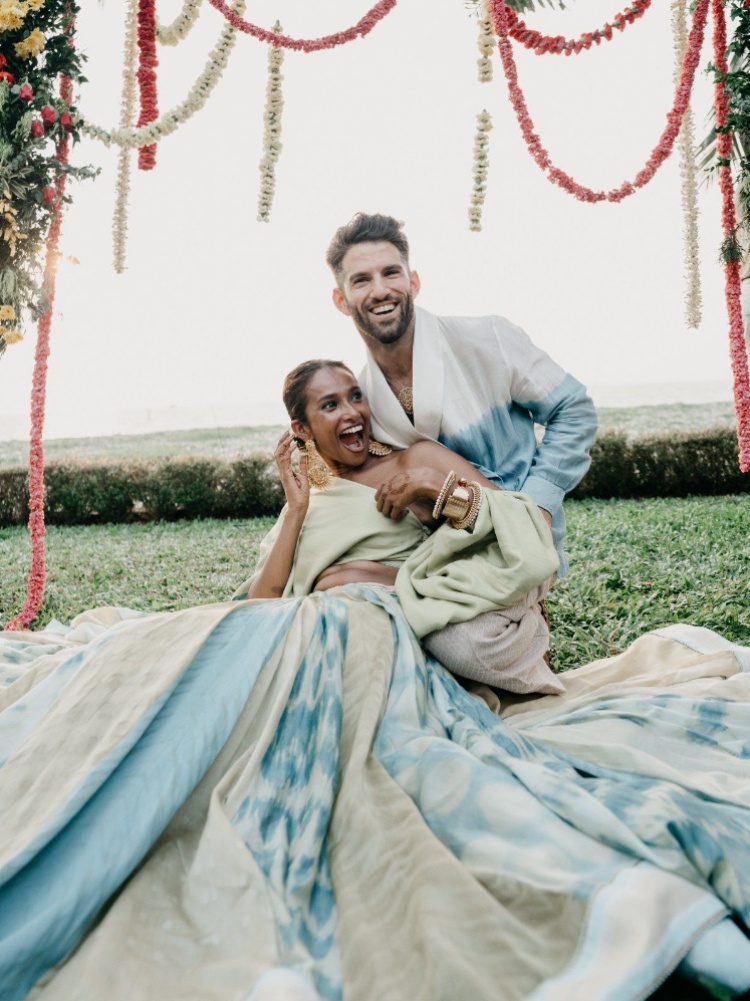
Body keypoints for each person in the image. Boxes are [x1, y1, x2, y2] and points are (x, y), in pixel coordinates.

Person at [2, 365, 750, 1001]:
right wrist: (295, 510)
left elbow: (515, 525)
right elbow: (260, 603)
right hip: (292, 621)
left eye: (355, 395)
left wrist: (434, 496)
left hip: (372, 619)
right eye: (330, 405)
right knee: (186, 667)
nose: (353, 411)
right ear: (301, 430)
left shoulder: (414, 459)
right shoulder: (310, 503)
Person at [326, 212, 599, 578]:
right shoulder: (360, 402)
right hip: (433, 560)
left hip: (521, 546)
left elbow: (574, 409)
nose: (379, 290)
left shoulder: (488, 338)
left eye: (391, 273)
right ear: (341, 300)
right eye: (361, 280)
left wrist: (539, 506)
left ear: (414, 282)